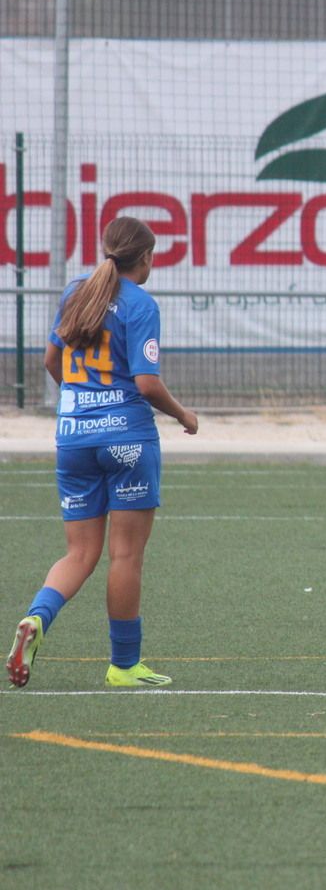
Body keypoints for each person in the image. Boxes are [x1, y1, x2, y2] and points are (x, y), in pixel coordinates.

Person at [7, 217, 199, 689]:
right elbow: (147, 383)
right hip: (128, 439)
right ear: (147, 258)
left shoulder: (77, 291)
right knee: (125, 555)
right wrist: (183, 415)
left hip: (73, 438)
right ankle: (124, 665)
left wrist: (80, 404)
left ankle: (37, 619)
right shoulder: (141, 304)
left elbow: (52, 361)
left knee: (79, 553)